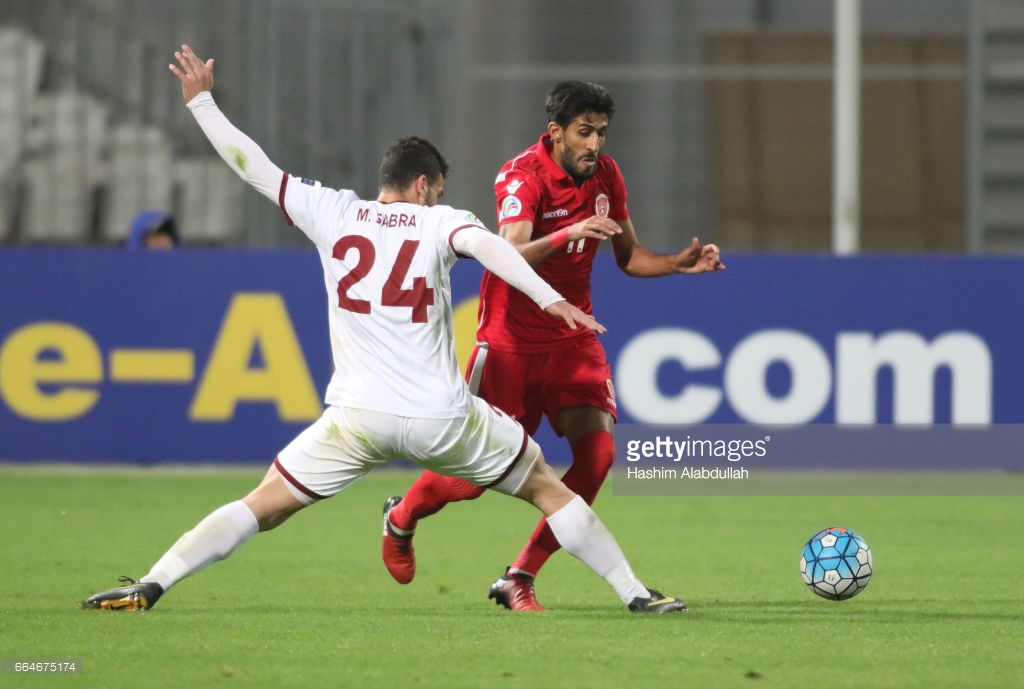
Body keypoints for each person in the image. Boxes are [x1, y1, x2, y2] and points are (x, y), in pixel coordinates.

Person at [81, 45, 686, 615]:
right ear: (424, 185)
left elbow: (254, 168)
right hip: (439, 416)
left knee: (262, 503)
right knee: (550, 489)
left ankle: (152, 582)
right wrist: (554, 299)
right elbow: (494, 250)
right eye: (438, 190)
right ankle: (635, 594)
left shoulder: (330, 211)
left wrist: (202, 103)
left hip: (356, 417)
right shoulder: (438, 221)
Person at [382, 80, 725, 611]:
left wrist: (676, 264)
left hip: (572, 339)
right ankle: (401, 515)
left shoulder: (607, 175)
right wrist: (569, 231)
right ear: (556, 132)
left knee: (598, 456)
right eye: (584, 132)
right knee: (471, 479)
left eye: (601, 133)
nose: (594, 144)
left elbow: (628, 257)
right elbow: (509, 252)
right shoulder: (522, 175)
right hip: (510, 344)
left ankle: (519, 575)